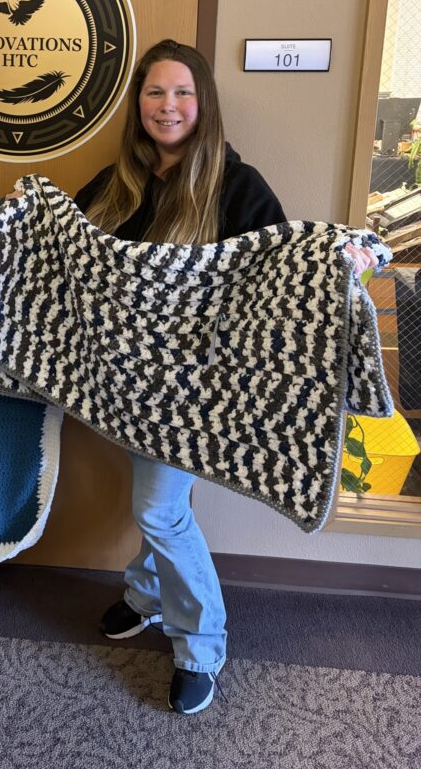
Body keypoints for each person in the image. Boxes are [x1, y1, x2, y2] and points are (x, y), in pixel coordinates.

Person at [73, 38, 376, 714]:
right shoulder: (119, 181)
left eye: (183, 93)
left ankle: (200, 644)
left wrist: (341, 259)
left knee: (157, 508)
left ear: (204, 104)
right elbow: (68, 244)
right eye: (155, 92)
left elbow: (282, 261)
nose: (168, 105)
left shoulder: (235, 184)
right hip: (124, 386)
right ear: (137, 104)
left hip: (194, 394)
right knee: (159, 503)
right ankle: (146, 597)